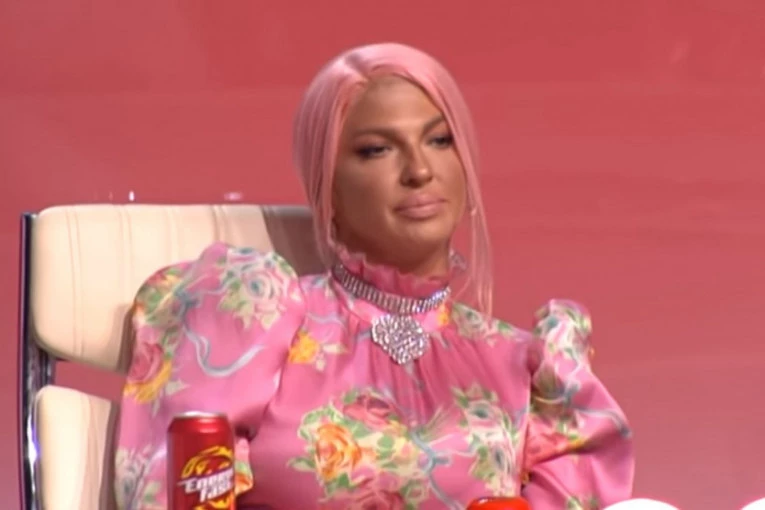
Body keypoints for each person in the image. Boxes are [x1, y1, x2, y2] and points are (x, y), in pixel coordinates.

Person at [114, 42, 634, 509]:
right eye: (376, 150)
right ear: (327, 186)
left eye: (439, 140)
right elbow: (178, 491)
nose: (419, 171)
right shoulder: (256, 311)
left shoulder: (522, 364)